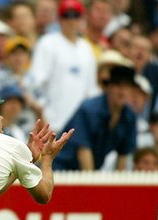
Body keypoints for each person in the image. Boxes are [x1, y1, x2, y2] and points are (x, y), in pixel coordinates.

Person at [26, 0, 97, 132]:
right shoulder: (48, 42)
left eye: (75, 16)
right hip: (52, 125)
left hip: (80, 128)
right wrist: (42, 118)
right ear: (59, 19)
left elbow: (91, 91)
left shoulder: (87, 48)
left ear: (82, 18)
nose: (71, 20)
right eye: (66, 16)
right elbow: (34, 83)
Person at [53, 65, 137, 171]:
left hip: (88, 173)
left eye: (127, 86)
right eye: (117, 85)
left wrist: (119, 185)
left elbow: (123, 155)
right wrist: (91, 184)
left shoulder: (129, 116)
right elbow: (83, 150)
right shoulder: (89, 109)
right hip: (60, 170)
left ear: (132, 90)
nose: (122, 91)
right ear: (108, 87)